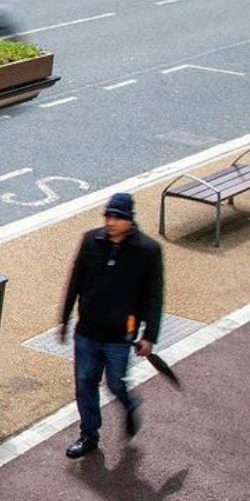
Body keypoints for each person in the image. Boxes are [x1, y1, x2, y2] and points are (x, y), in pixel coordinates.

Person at [58, 192, 164, 459]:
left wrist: (149, 336)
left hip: (120, 336)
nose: (111, 222)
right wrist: (64, 318)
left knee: (115, 383)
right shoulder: (90, 241)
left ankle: (129, 405)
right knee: (85, 383)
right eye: (108, 216)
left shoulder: (148, 251)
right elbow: (75, 280)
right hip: (88, 331)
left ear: (130, 220)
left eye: (117, 217)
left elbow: (154, 296)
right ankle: (89, 435)